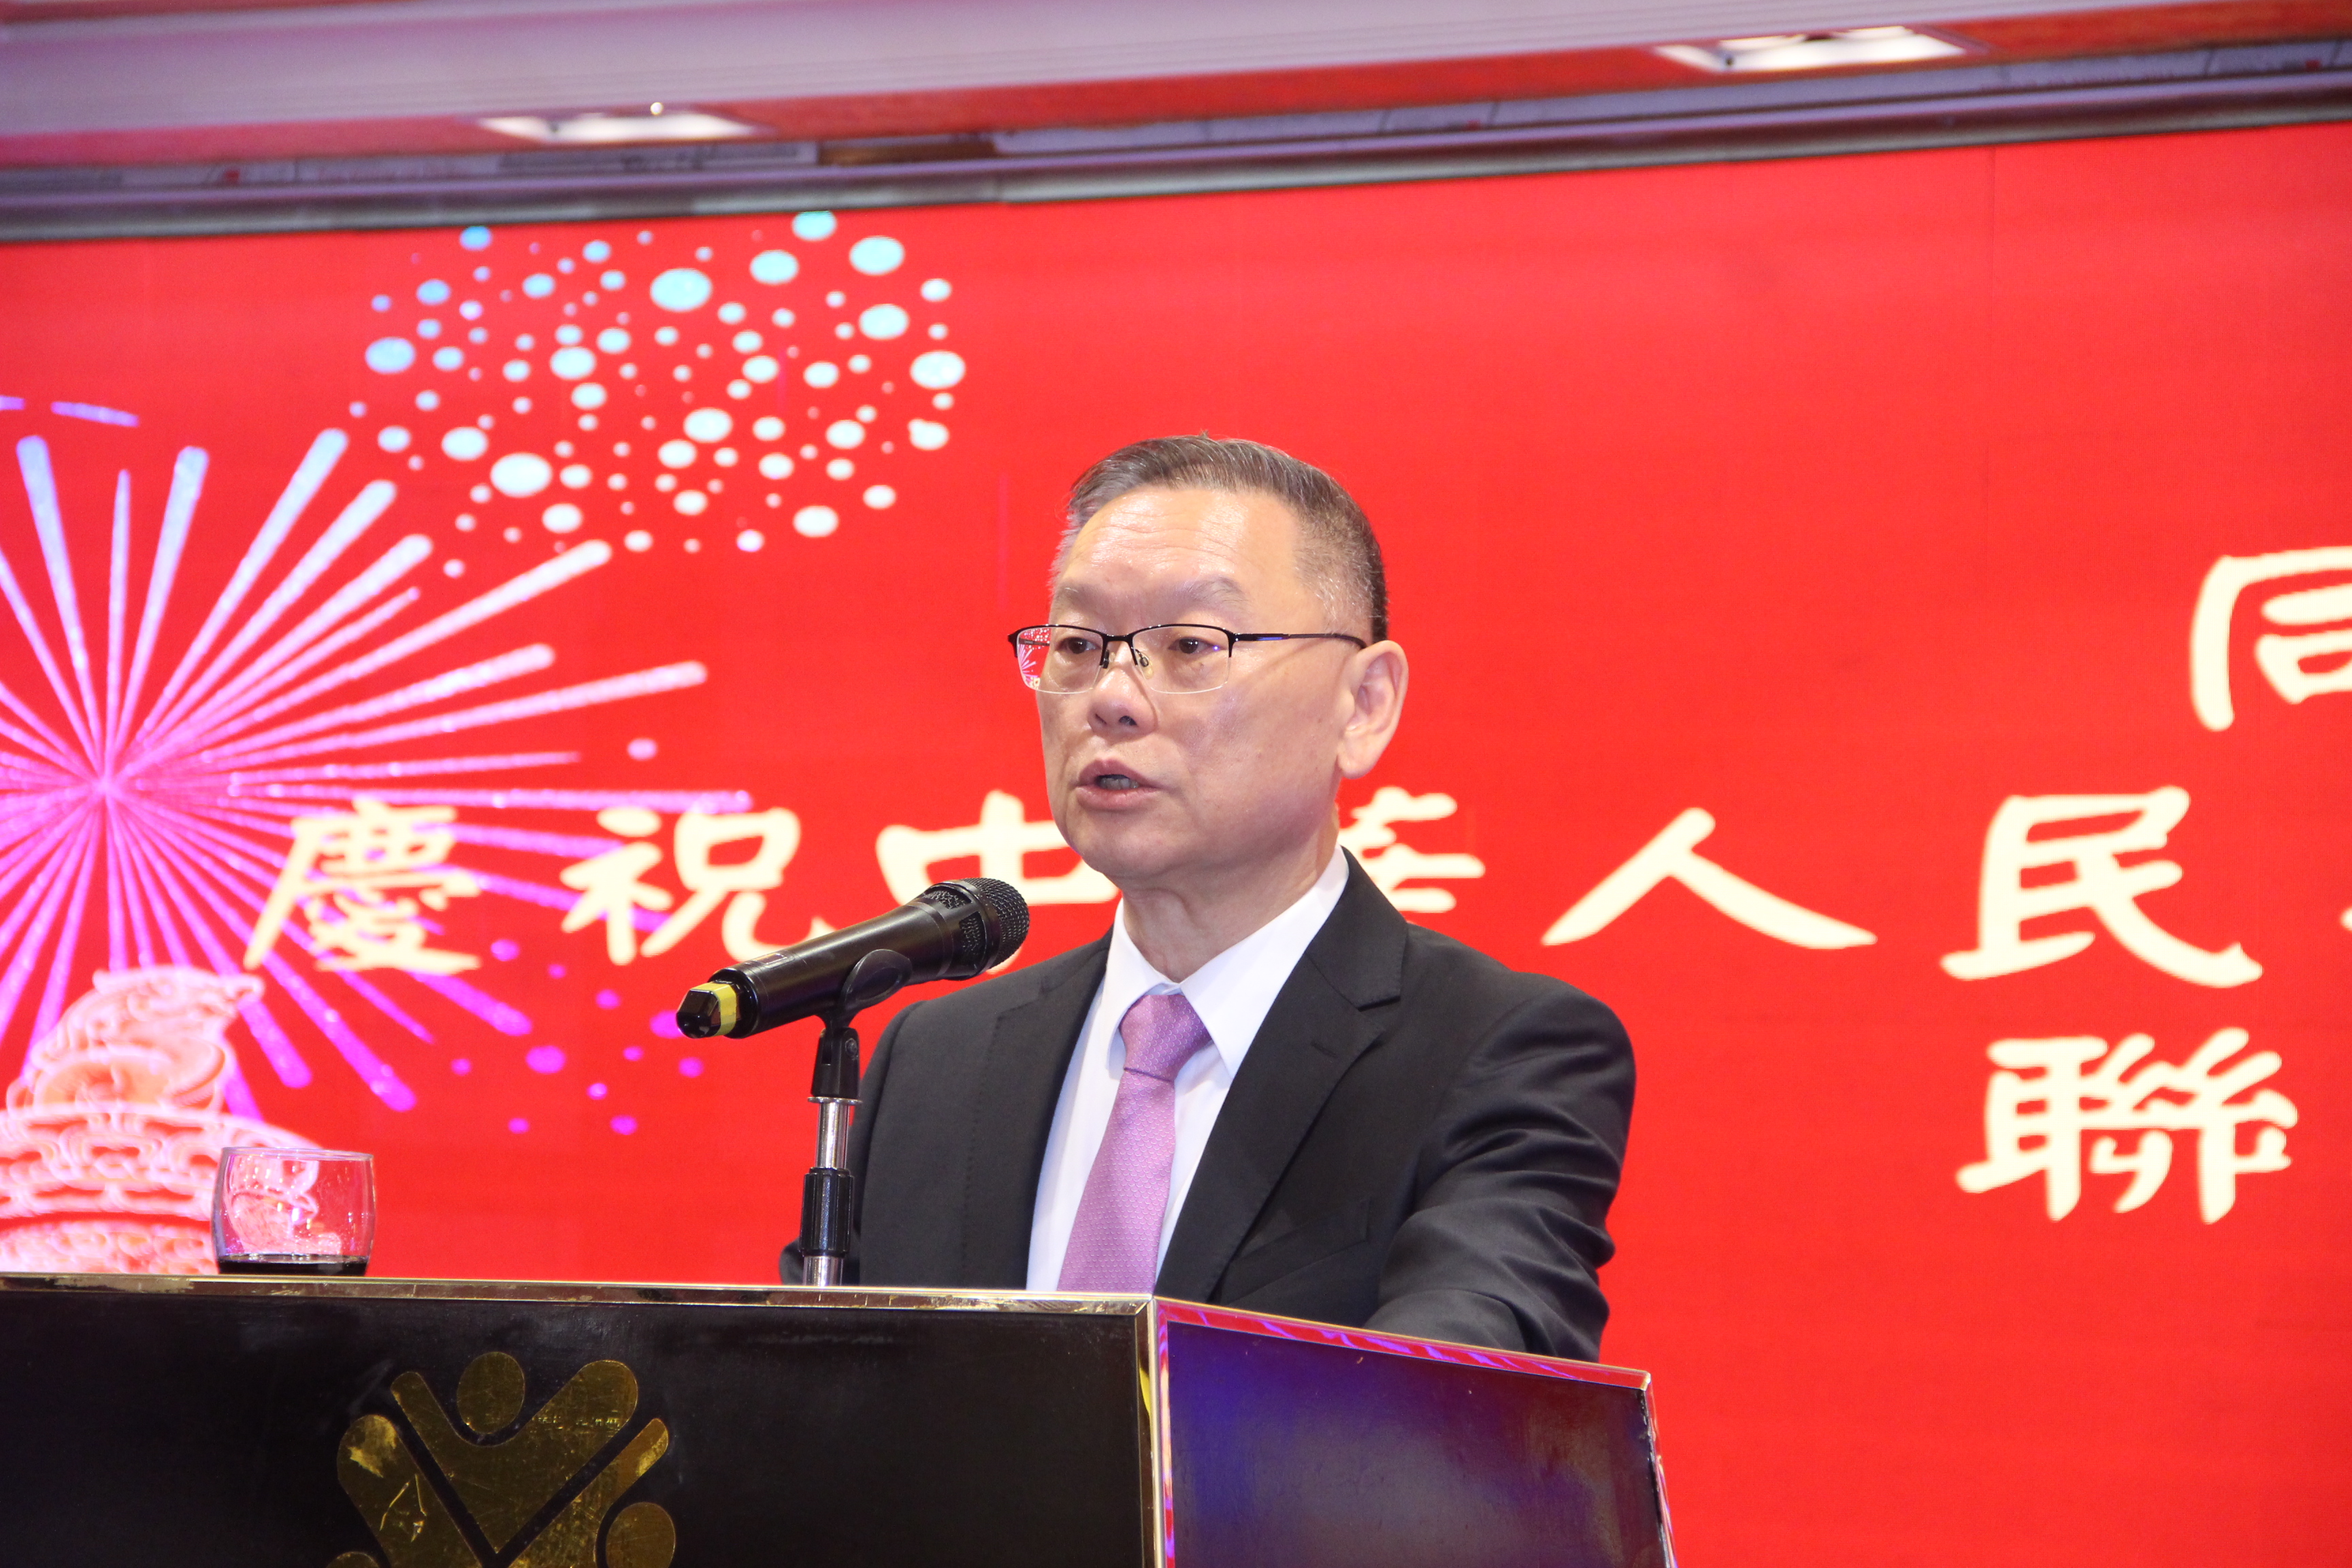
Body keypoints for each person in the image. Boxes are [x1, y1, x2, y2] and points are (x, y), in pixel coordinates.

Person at [789, 436, 1633, 1359]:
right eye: (1078, 645)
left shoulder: (1496, 1053)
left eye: (1191, 645)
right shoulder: (936, 1059)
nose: (1112, 696)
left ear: (1363, 705)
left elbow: (1461, 1388)